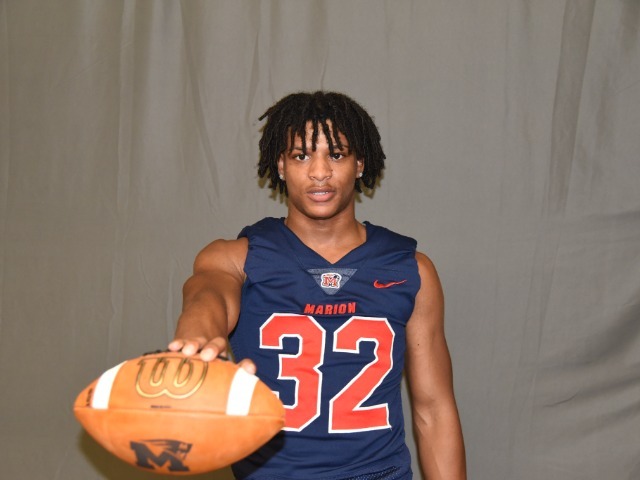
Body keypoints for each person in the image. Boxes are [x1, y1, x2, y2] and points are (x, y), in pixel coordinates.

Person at [169, 91, 466, 480]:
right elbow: (208, 293)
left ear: (360, 163)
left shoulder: (411, 269)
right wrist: (198, 336)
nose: (319, 172)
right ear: (280, 164)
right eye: (301, 156)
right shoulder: (236, 258)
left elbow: (433, 410)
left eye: (337, 155)